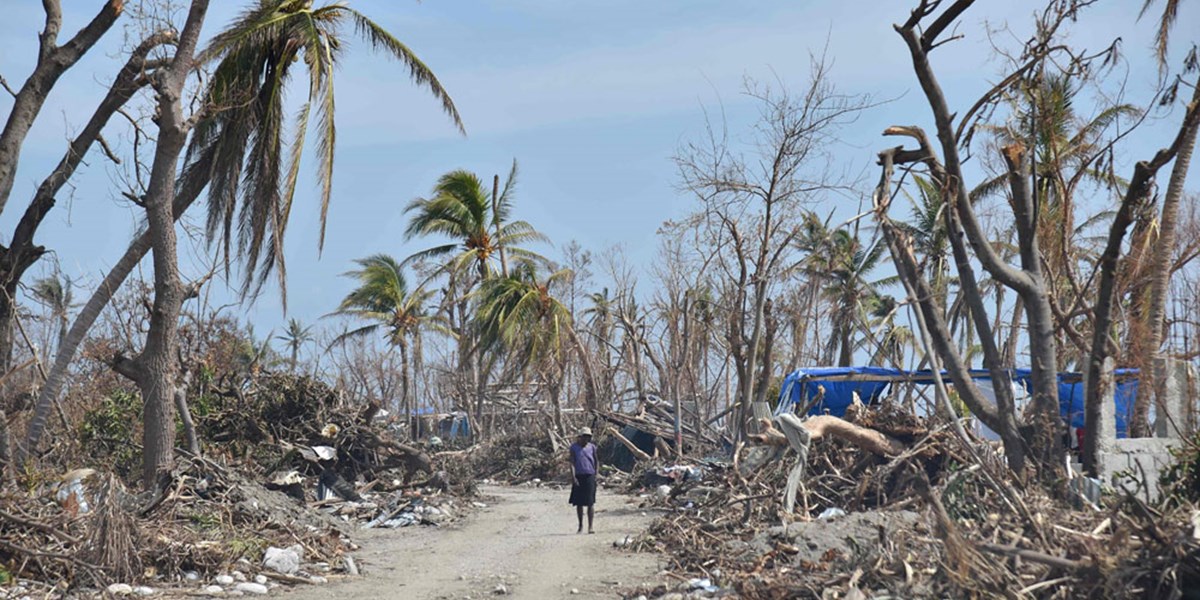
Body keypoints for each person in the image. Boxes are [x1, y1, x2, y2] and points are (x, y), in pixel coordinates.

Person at [568, 426, 599, 534]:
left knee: (590, 503)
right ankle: (580, 525)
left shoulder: (592, 447)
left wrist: (596, 474)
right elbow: (572, 462)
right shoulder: (574, 448)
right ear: (580, 437)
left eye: (588, 437)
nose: (586, 439)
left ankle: (590, 527)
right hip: (579, 476)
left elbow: (596, 461)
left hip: (590, 475)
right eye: (584, 437)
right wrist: (573, 476)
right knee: (579, 503)